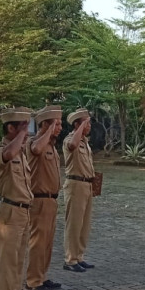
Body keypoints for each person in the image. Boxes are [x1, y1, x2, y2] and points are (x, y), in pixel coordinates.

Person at [0, 108, 36, 290]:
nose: (27, 133)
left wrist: (22, 136)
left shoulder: (21, 151)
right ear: (10, 128)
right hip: (8, 212)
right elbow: (6, 155)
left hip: (22, 212)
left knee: (17, 265)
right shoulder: (0, 148)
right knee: (5, 266)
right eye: (23, 128)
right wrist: (22, 136)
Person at [25, 105, 63, 290]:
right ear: (45, 125)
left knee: (47, 242)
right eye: (57, 124)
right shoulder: (34, 142)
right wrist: (48, 130)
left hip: (51, 200)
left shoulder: (51, 146)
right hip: (39, 199)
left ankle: (42, 275)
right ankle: (33, 280)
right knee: (38, 242)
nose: (60, 128)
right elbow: (35, 149)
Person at [62, 108, 96, 272]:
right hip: (75, 184)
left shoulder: (85, 142)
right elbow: (72, 146)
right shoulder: (70, 139)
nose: (89, 126)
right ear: (77, 124)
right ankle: (70, 259)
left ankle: (79, 256)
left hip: (87, 185)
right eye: (86, 123)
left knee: (84, 224)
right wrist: (81, 127)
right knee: (74, 224)